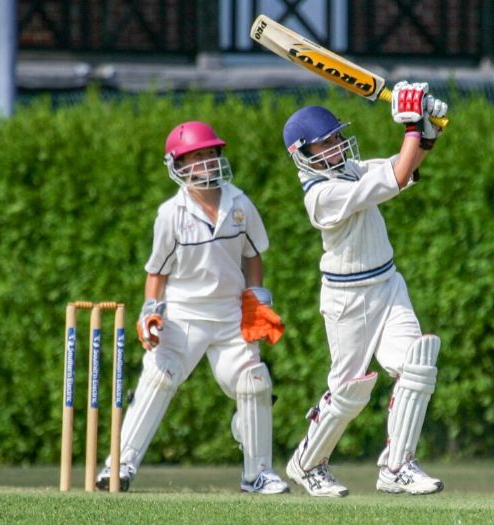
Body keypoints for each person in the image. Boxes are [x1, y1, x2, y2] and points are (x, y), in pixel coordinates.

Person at [96, 121, 288, 494]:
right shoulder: (171, 213)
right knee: (158, 377)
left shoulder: (240, 203)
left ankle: (258, 474)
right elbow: (157, 271)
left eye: (211, 154)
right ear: (179, 166)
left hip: (231, 315)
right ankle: (118, 468)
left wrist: (256, 298)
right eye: (197, 157)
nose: (208, 163)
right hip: (183, 315)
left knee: (254, 381)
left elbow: (253, 257)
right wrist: (150, 310)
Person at [280, 82, 449, 497]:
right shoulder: (320, 195)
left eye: (338, 136)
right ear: (302, 153)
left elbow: (402, 166)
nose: (338, 145)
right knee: (349, 393)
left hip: (388, 285)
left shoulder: (348, 169)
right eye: (327, 143)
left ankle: (397, 467)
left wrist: (426, 132)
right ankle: (307, 464)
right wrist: (411, 125)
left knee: (418, 362)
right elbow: (394, 178)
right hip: (347, 301)